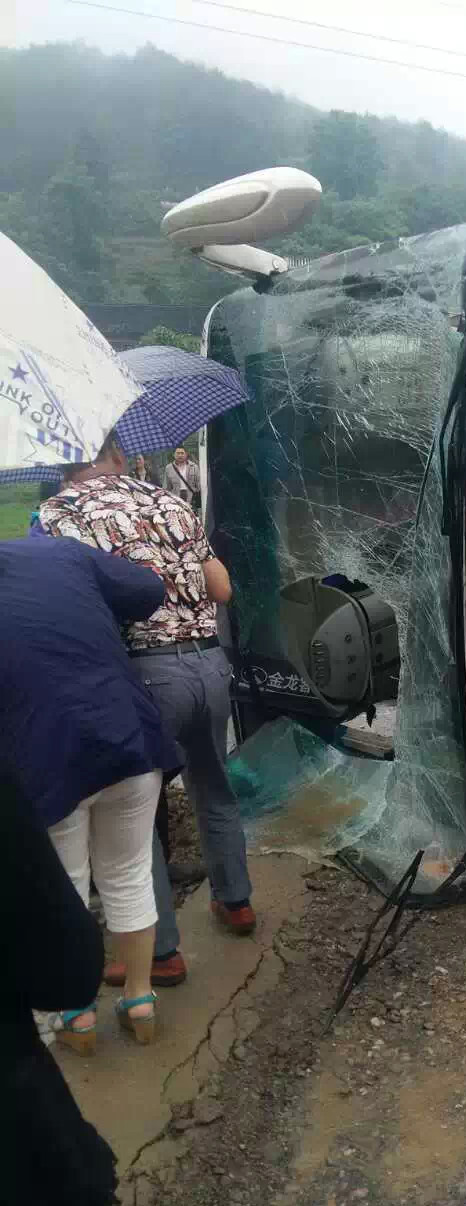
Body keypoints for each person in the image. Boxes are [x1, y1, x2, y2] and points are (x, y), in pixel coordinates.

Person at [40, 435, 255, 993]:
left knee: (135, 819)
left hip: (144, 672)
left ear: (69, 465)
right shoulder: (167, 499)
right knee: (214, 787)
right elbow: (223, 588)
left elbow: (57, 604)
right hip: (210, 663)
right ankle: (236, 903)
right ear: (116, 453)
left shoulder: (62, 511)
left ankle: (160, 953)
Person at [0, 536, 180, 1049]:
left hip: (42, 755)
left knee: (67, 885)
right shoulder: (57, 551)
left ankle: (77, 1014)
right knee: (127, 872)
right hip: (128, 733)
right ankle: (141, 1001)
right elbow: (146, 590)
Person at [1, 775, 120, 1204]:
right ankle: (139, 995)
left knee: (83, 867)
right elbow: (67, 967)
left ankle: (80, 1025)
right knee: (128, 871)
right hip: (20, 1144)